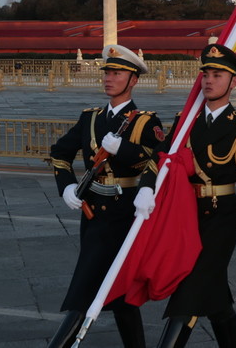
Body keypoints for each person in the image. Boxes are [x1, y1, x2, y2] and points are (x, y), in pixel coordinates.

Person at [135, 42, 236, 348]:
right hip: (185, 213)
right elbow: (159, 156)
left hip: (221, 216)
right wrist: (145, 187)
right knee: (214, 294)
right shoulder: (185, 121)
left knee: (190, 287)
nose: (208, 79)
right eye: (205, 73)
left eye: (218, 74)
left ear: (234, 82)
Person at [48, 45, 163, 348]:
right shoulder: (90, 118)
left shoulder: (145, 121)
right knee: (115, 291)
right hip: (94, 213)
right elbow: (59, 154)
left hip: (125, 213)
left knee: (94, 286)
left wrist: (122, 149)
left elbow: (158, 160)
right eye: (108, 73)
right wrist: (67, 187)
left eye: (118, 73)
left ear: (134, 80)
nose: (109, 79)